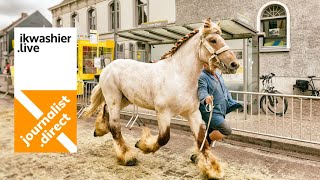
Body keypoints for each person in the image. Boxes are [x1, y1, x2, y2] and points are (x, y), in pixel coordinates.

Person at [191, 63, 242, 163]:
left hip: (221, 109)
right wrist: (206, 98)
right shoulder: (202, 76)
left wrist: (230, 101)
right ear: (205, 64)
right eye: (212, 65)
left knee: (210, 132)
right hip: (210, 111)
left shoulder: (218, 75)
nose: (215, 66)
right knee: (226, 130)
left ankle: (197, 157)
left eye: (215, 65)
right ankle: (206, 142)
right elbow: (202, 90)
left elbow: (224, 89)